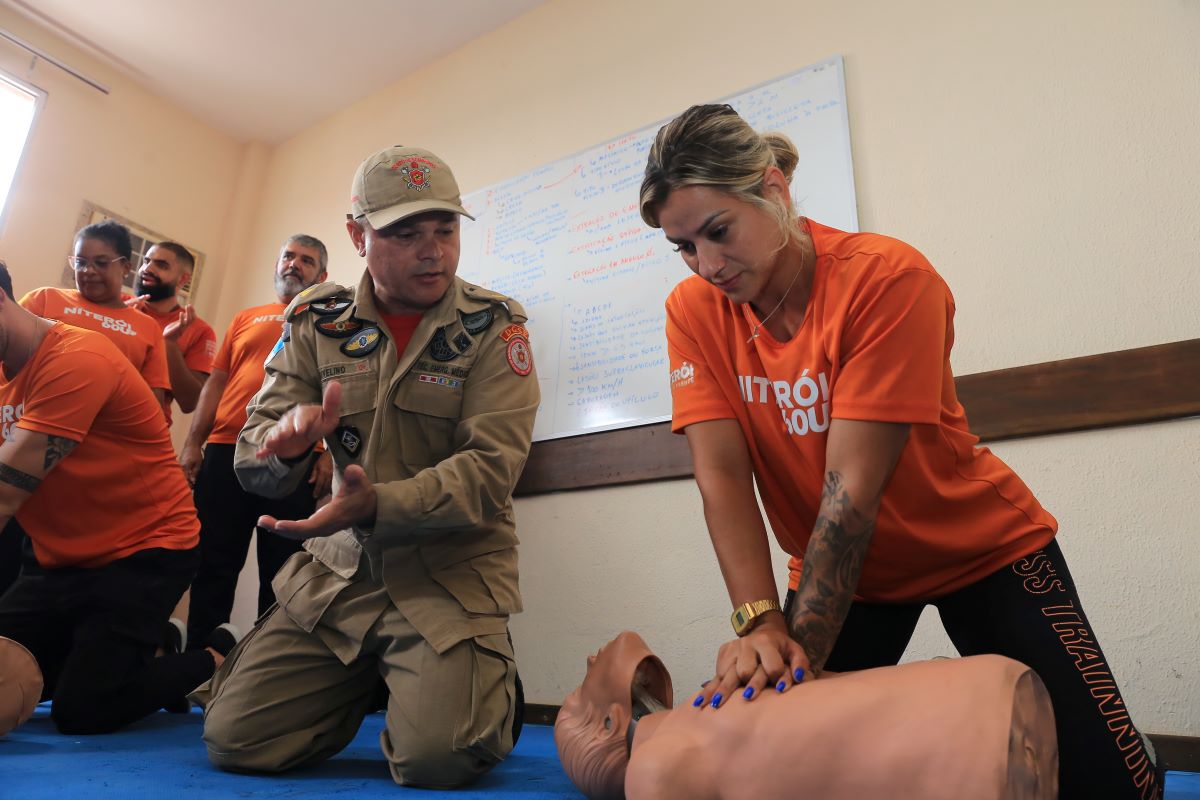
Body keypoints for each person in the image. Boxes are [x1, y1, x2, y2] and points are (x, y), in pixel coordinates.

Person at [638, 104, 1159, 800]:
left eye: (718, 232)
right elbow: (722, 476)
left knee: (1116, 790)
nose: (706, 265)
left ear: (773, 189)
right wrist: (758, 623)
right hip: (852, 580)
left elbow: (850, 491)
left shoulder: (886, 278)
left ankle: (1112, 746)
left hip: (982, 552)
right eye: (683, 246)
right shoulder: (692, 311)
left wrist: (795, 669)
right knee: (793, 757)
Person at [192, 145, 539, 789]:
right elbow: (251, 456)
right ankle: (383, 680)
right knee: (233, 739)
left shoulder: (495, 327)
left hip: (448, 575)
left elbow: (492, 471)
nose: (433, 250)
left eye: (445, 230)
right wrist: (287, 449)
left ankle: (478, 686)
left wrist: (381, 503)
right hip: (343, 574)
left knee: (437, 760)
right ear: (358, 235)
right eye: (406, 234)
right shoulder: (315, 322)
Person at [0, 263, 226, 734]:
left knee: (83, 709)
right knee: (17, 678)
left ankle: (217, 656)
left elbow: (6, 492)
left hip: (144, 550)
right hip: (58, 558)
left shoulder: (77, 359)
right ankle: (146, 641)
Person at [554, 631, 1058, 800]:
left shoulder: (703, 707)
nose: (591, 660)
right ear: (609, 724)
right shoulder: (654, 768)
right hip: (970, 728)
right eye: (579, 693)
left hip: (972, 709)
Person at [178, 235, 333, 649]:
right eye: (288, 256)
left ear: (322, 275)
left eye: (306, 259)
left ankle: (263, 669)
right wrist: (195, 443)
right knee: (213, 562)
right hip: (226, 450)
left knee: (281, 568)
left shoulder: (331, 323)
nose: (294, 264)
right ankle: (200, 666)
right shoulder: (246, 317)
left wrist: (329, 455)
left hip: (294, 459)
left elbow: (342, 393)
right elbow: (217, 382)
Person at [19, 220, 169, 415]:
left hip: (104, 436)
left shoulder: (148, 327)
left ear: (125, 268)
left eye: (100, 263)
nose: (88, 271)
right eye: (80, 262)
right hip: (29, 419)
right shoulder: (44, 299)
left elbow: (152, 406)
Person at [129, 241, 218, 425]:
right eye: (146, 261)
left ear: (183, 280)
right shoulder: (119, 305)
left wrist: (169, 346)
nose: (148, 268)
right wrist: (119, 317)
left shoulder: (199, 330)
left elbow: (190, 402)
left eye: (161, 265)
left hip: (147, 430)